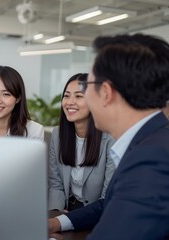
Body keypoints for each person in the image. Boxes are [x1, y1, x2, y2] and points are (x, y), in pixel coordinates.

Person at [48, 33, 169, 240]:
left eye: (87, 89)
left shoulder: (152, 158)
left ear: (106, 92)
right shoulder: (151, 142)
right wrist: (58, 222)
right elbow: (111, 204)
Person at [48, 73, 115, 213]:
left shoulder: (110, 139)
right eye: (66, 96)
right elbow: (56, 184)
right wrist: (56, 213)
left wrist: (71, 221)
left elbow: (107, 196)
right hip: (66, 209)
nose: (70, 102)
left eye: (79, 96)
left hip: (96, 213)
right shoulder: (57, 135)